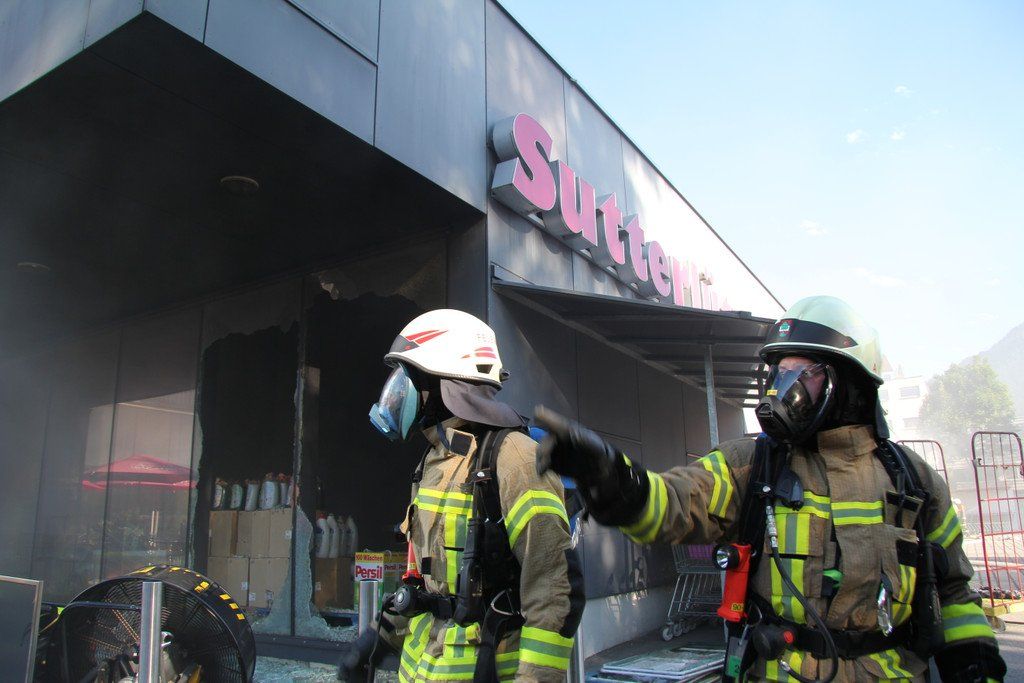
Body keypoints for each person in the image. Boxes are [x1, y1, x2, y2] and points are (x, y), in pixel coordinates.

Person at [534, 296, 1005, 682]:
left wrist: (976, 668)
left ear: (850, 383)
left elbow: (954, 593)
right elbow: (673, 503)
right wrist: (613, 478)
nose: (782, 389)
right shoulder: (752, 463)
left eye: (801, 373)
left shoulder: (914, 481)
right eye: (778, 372)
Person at [338, 309, 584, 683]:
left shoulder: (516, 459)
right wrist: (376, 640)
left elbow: (555, 590)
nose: (399, 392)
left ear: (443, 382)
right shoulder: (434, 461)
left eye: (409, 378)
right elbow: (424, 582)